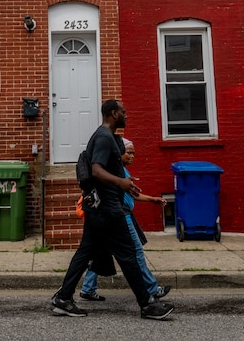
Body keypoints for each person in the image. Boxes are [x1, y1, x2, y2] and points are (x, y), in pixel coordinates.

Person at [50, 99, 175, 320]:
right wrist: (121, 183)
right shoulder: (103, 137)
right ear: (113, 113)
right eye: (124, 112)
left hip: (99, 209)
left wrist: (124, 182)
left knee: (85, 253)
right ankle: (147, 304)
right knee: (128, 255)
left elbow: (105, 170)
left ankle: (63, 298)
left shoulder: (106, 137)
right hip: (108, 210)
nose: (127, 116)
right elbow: (96, 171)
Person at [80, 138, 171, 302]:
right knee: (136, 252)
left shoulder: (116, 169)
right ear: (118, 153)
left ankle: (87, 289)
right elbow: (133, 194)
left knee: (100, 251)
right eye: (129, 152)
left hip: (113, 216)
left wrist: (152, 199)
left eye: (134, 153)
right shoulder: (117, 171)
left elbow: (131, 194)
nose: (132, 156)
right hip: (121, 216)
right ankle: (151, 288)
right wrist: (152, 199)